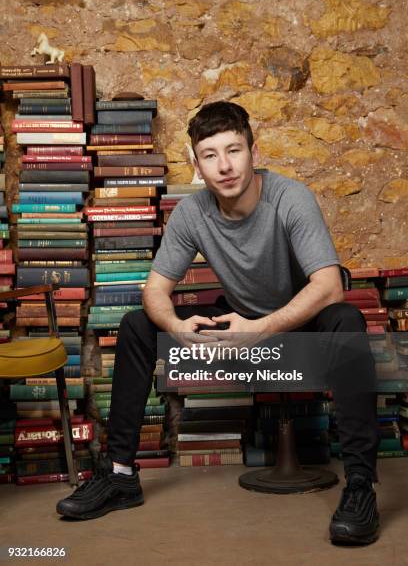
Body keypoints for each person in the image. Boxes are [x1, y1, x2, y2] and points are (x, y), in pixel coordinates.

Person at [57, 101, 380, 545]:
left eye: (234, 150)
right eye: (210, 155)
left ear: (253, 150)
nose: (225, 166)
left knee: (347, 318)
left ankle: (361, 486)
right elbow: (154, 291)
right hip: (239, 318)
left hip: (302, 319)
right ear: (196, 163)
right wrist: (175, 325)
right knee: (137, 324)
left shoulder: (291, 198)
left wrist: (259, 329)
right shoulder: (192, 213)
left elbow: (328, 287)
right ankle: (119, 476)